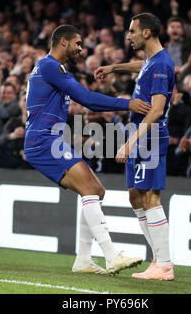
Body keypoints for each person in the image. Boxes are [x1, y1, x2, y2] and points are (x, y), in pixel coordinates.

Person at [24, 25, 149, 275]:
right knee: (91, 189)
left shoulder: (53, 69)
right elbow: (88, 98)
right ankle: (112, 255)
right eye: (77, 43)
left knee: (96, 191)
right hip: (43, 140)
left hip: (51, 140)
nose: (81, 49)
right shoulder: (50, 66)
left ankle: (83, 260)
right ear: (62, 42)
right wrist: (128, 103)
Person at [95, 13, 175, 281]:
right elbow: (142, 66)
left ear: (148, 33)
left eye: (132, 31)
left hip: (149, 137)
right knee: (134, 196)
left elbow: (157, 110)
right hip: (140, 135)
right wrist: (114, 68)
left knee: (150, 197)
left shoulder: (162, 64)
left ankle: (163, 264)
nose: (128, 36)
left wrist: (129, 143)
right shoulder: (152, 61)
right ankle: (158, 259)